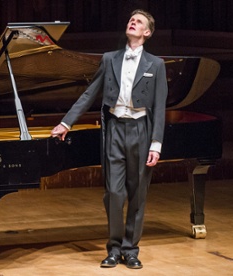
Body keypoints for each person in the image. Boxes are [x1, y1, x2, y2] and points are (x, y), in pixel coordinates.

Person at [51, 9, 168, 269]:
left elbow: (160, 107)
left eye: (139, 22)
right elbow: (89, 94)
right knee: (114, 193)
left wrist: (156, 144)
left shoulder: (156, 65)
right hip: (115, 129)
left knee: (138, 194)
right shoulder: (109, 59)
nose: (133, 22)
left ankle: (131, 249)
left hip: (141, 131)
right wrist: (66, 122)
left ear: (147, 33)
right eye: (131, 19)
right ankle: (114, 249)